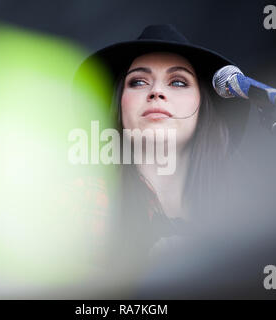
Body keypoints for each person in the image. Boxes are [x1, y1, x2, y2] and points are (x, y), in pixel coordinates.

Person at [73, 24, 251, 288]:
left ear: (203, 108)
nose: (156, 92)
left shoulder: (244, 220)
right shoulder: (80, 203)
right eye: (138, 82)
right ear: (119, 103)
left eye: (178, 82)